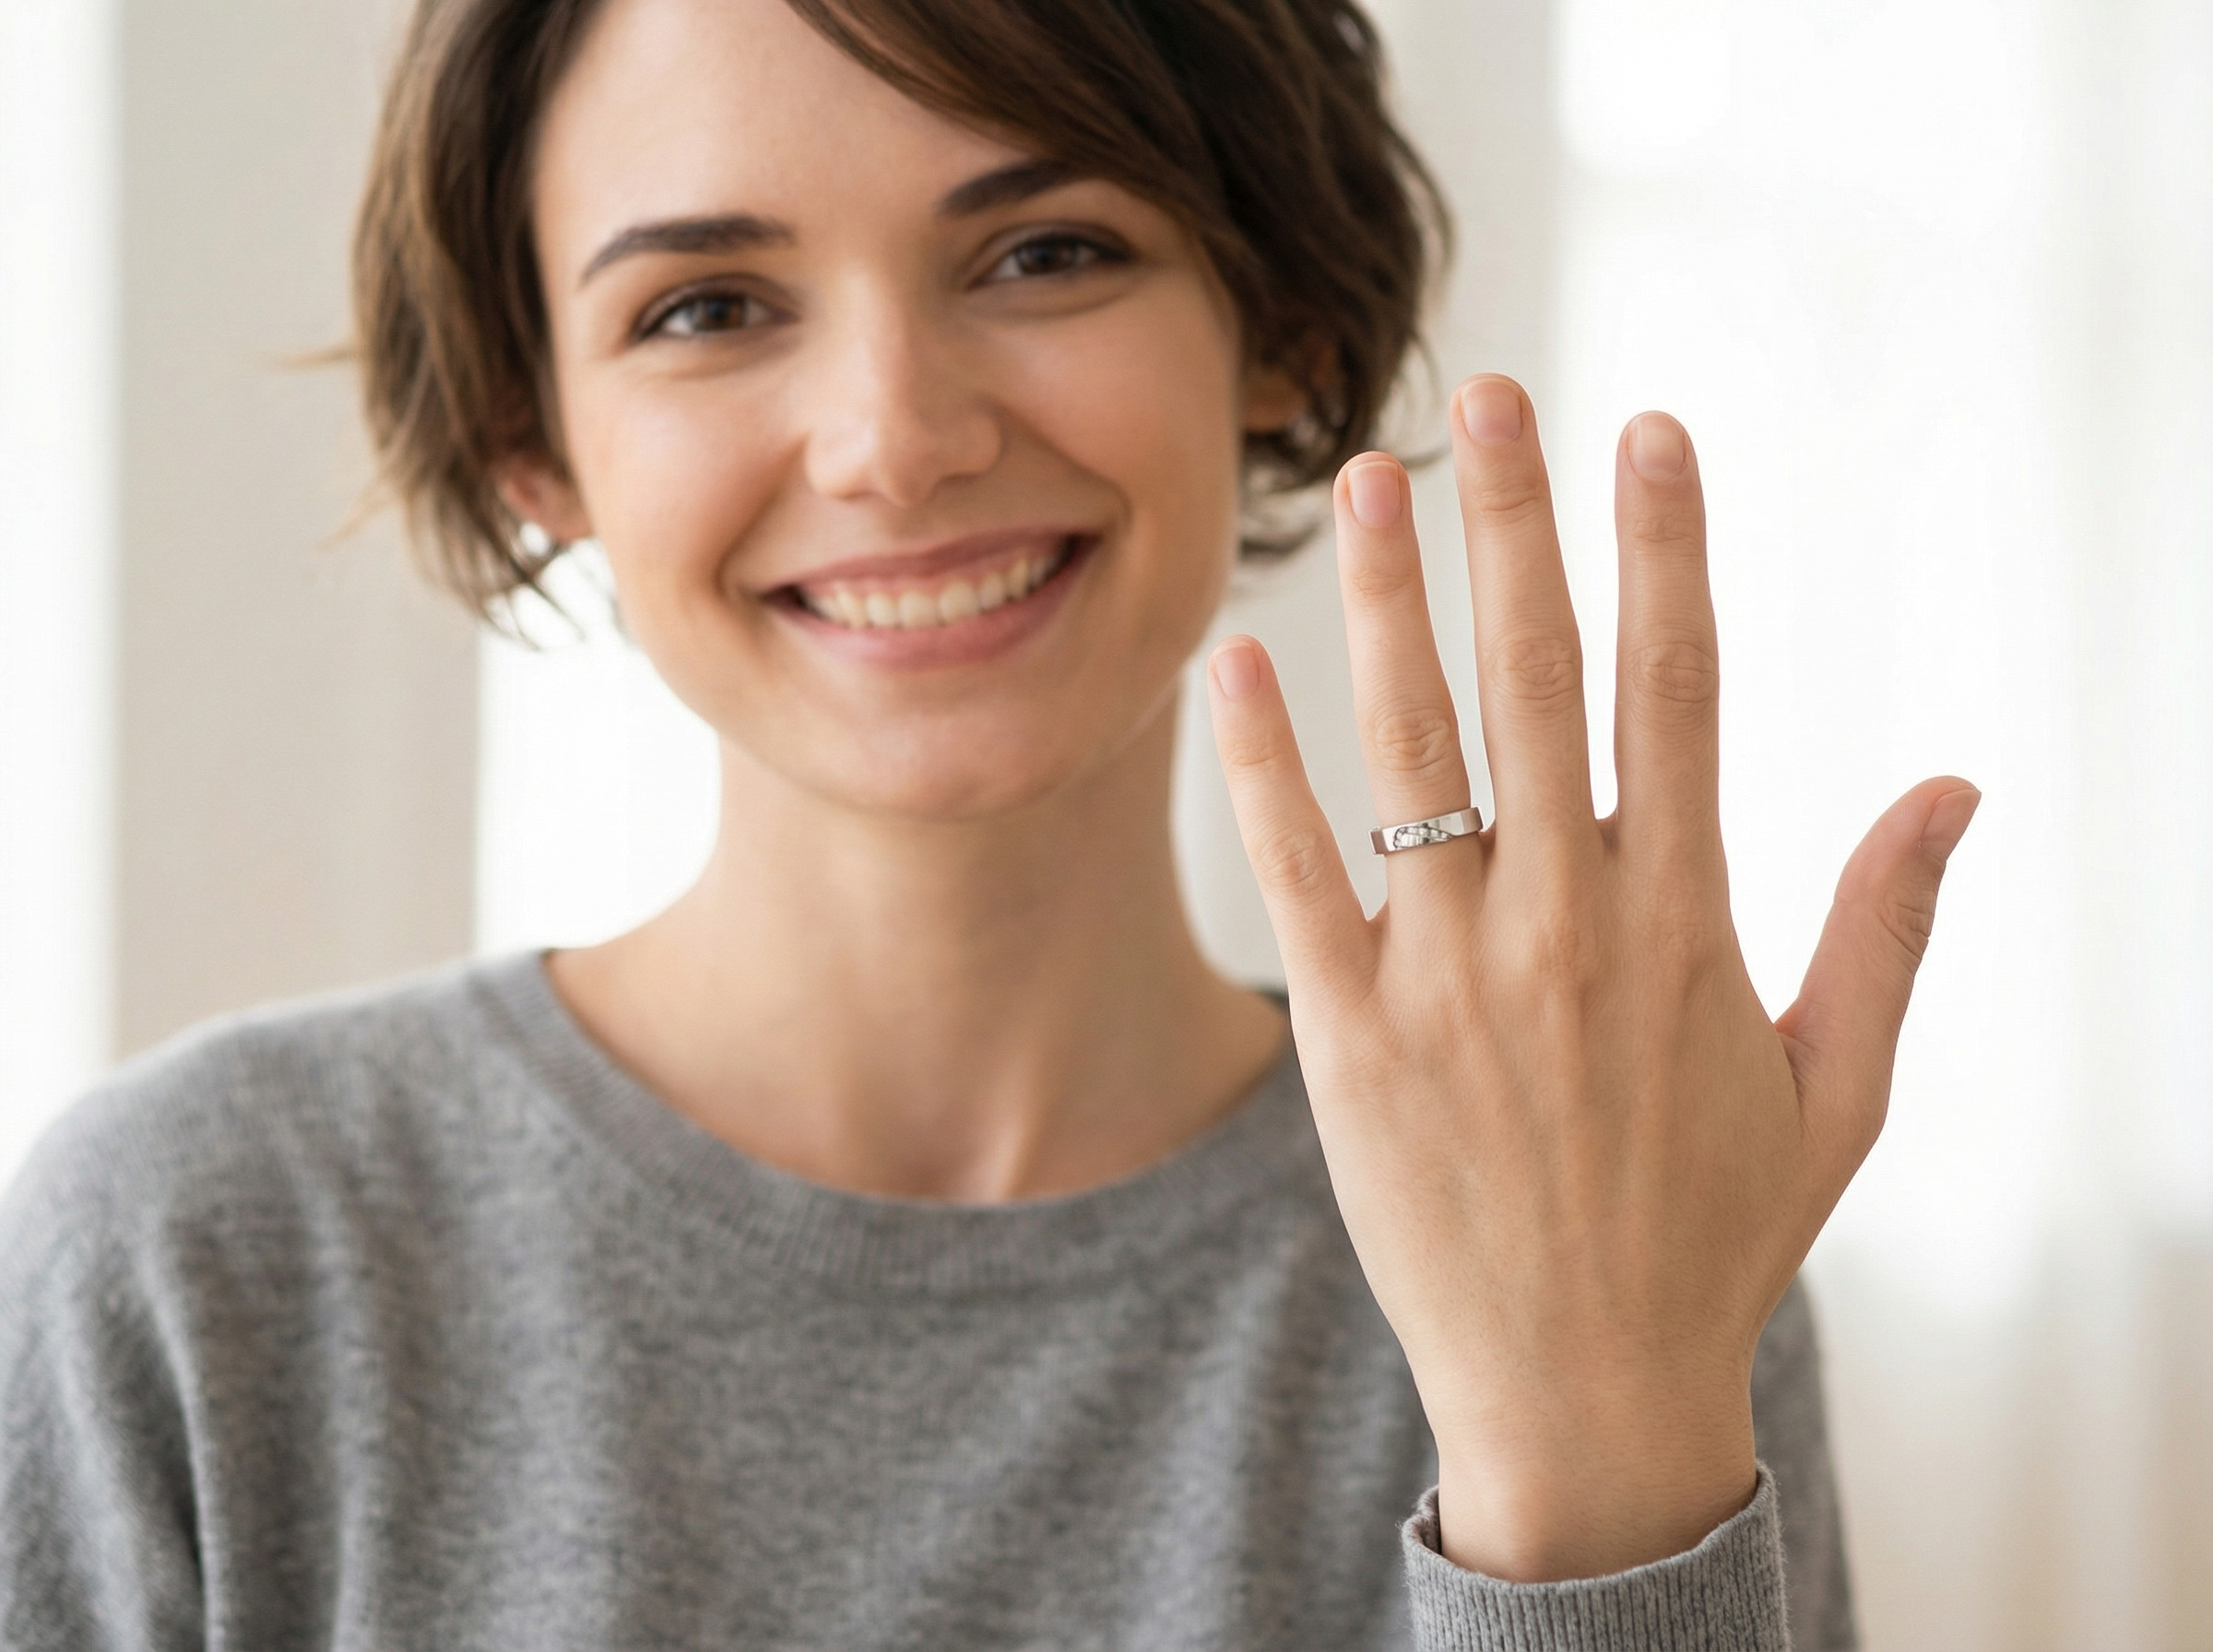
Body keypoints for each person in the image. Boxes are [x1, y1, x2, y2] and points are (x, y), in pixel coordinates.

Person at [0, 0, 1977, 1646]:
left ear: (1280, 321)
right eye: (704, 307)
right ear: (535, 435)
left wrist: (1585, 1466)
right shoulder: (198, 1265)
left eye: (1048, 252)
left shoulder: (1595, 1210)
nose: (896, 434)